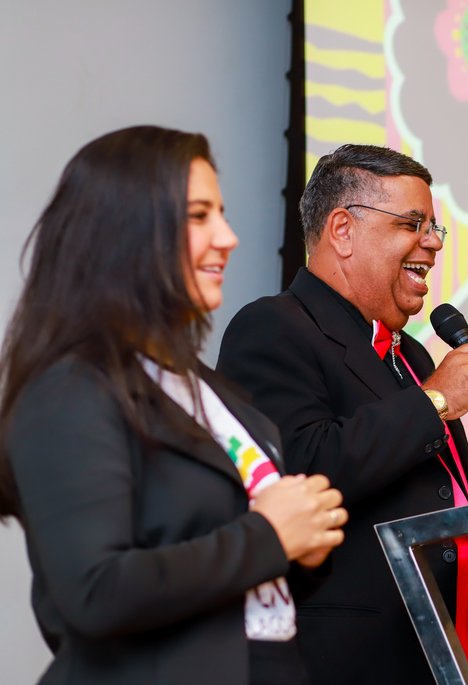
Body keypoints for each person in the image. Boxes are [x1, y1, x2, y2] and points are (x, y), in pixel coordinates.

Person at [0, 125, 348, 685]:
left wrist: (303, 545)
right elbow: (95, 592)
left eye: (222, 213)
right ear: (125, 233)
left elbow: (248, 581)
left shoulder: (207, 391)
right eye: (198, 215)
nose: (228, 237)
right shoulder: (68, 391)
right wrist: (270, 537)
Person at [217, 144, 468, 684]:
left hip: (449, 659)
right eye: (413, 224)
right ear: (342, 230)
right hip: (351, 664)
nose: (432, 243)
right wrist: (434, 401)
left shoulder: (409, 354)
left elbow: (436, 496)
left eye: (435, 228)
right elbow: (304, 470)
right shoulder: (272, 327)